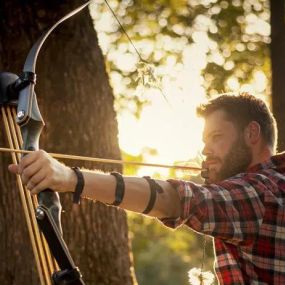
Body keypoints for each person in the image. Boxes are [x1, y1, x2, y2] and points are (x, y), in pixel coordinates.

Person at [8, 93, 285, 284]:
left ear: (251, 133)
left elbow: (178, 200)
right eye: (204, 140)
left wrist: (69, 178)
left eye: (216, 137)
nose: (205, 150)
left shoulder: (264, 192)